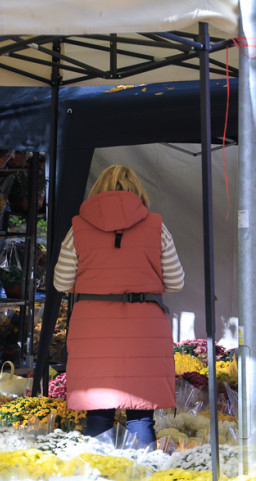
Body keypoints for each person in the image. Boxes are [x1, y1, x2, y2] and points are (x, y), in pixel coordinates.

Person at [52, 165, 184, 447]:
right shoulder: (157, 227)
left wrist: (93, 284)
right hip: (145, 328)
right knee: (140, 417)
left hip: (93, 328)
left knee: (98, 415)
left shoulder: (77, 229)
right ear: (138, 192)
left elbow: (61, 282)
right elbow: (176, 281)